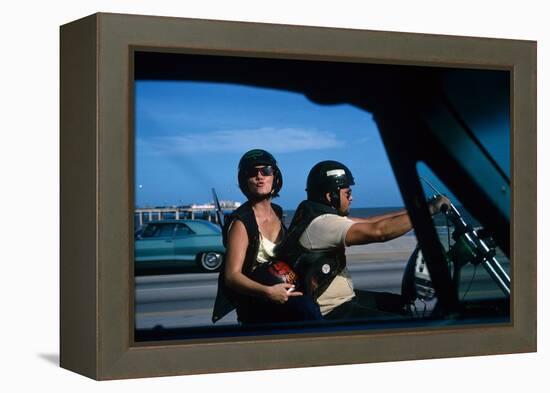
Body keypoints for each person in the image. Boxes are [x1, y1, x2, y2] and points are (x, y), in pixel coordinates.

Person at [276, 160, 449, 321]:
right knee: (402, 325)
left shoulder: (317, 216)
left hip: (344, 299)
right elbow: (379, 231)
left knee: (400, 303)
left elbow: (370, 221)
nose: (351, 198)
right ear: (330, 196)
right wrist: (429, 211)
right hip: (332, 310)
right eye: (347, 193)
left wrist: (418, 208)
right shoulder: (324, 224)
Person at [211, 149, 322, 324]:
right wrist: (268, 292)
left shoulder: (277, 212)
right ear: (244, 181)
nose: (260, 176)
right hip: (259, 304)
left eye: (266, 171)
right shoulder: (242, 222)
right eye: (252, 173)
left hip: (286, 295)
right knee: (308, 311)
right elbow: (232, 276)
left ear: (275, 177)